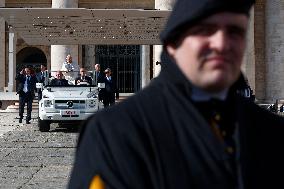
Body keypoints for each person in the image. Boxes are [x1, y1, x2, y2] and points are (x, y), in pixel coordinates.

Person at [69, 0, 284, 188]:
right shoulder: (116, 133)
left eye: (234, 31)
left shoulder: (272, 130)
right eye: (205, 30)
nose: (221, 44)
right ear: (173, 43)